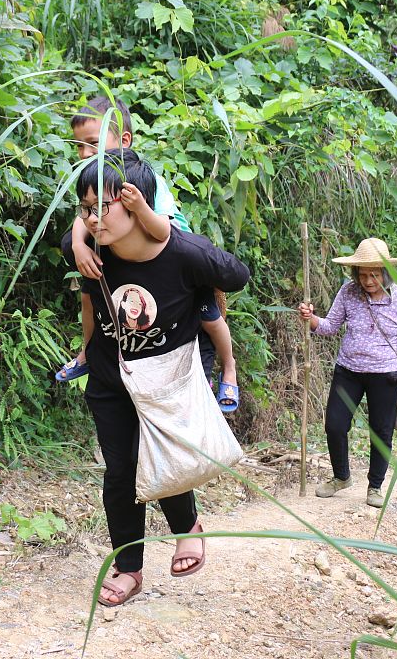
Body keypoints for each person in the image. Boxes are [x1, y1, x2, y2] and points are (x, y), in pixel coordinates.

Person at [64, 149, 250, 607]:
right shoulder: (94, 255)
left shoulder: (183, 254)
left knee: (161, 455)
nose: (93, 218)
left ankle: (187, 526)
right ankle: (129, 568)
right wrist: (80, 239)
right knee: (121, 471)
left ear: (135, 203)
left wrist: (159, 223)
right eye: (86, 208)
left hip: (168, 378)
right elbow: (72, 245)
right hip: (112, 378)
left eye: (101, 207)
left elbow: (238, 275)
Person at [54, 96, 241, 412]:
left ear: (123, 141)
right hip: (134, 268)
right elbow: (83, 217)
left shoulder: (144, 179)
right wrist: (77, 245)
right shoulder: (99, 187)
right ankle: (87, 353)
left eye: (92, 144)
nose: (84, 154)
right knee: (89, 296)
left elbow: (162, 232)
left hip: (177, 268)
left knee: (209, 317)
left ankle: (230, 368)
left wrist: (139, 206)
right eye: (79, 146)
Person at [297, 238, 397, 508]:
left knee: (381, 430)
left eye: (374, 274)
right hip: (348, 370)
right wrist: (311, 319)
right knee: (335, 425)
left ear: (386, 273)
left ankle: (375, 486)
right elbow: (329, 327)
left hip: (386, 374)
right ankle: (341, 477)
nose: (368, 280)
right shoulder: (348, 292)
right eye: (363, 274)